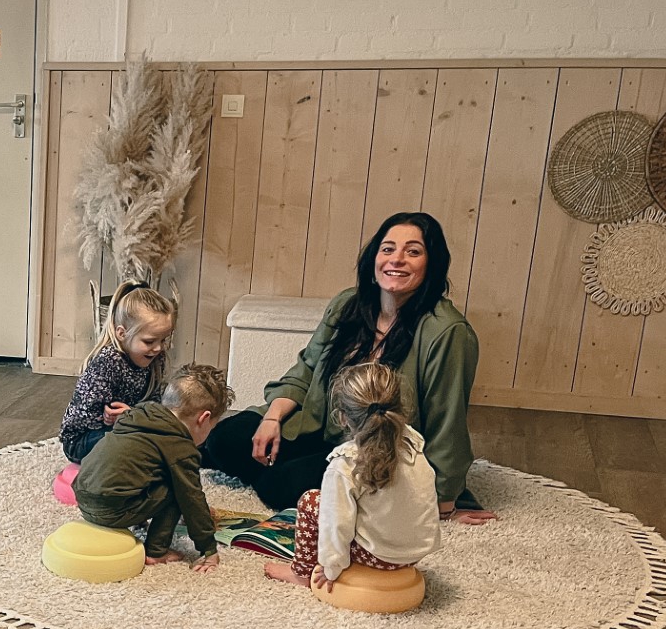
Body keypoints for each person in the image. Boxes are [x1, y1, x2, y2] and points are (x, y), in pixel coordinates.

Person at [201, 211, 497, 524]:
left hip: (377, 448)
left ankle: (317, 479)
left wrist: (443, 504)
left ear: (432, 264)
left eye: (413, 252)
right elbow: (306, 368)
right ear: (374, 258)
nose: (397, 259)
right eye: (388, 249)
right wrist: (272, 419)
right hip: (321, 426)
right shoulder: (347, 304)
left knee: (277, 487)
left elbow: (447, 423)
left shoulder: (447, 332)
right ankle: (302, 470)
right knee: (224, 440)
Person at [265, 362, 443, 590]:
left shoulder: (345, 463)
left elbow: (336, 525)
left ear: (342, 417)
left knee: (311, 501)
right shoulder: (413, 443)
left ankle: (300, 572)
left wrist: (331, 568)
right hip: (417, 552)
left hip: (379, 555)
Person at [71, 363, 232, 569]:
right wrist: (208, 548)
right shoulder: (180, 446)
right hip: (110, 511)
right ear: (204, 418)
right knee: (179, 489)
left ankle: (138, 519)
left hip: (83, 498)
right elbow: (192, 498)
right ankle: (156, 551)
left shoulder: (137, 416)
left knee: (144, 469)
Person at [58, 281, 177, 463]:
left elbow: (154, 402)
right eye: (149, 341)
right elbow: (87, 414)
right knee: (140, 440)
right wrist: (122, 418)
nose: (158, 348)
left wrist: (135, 416)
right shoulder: (107, 361)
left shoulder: (155, 358)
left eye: (163, 340)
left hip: (130, 424)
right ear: (122, 333)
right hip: (83, 439)